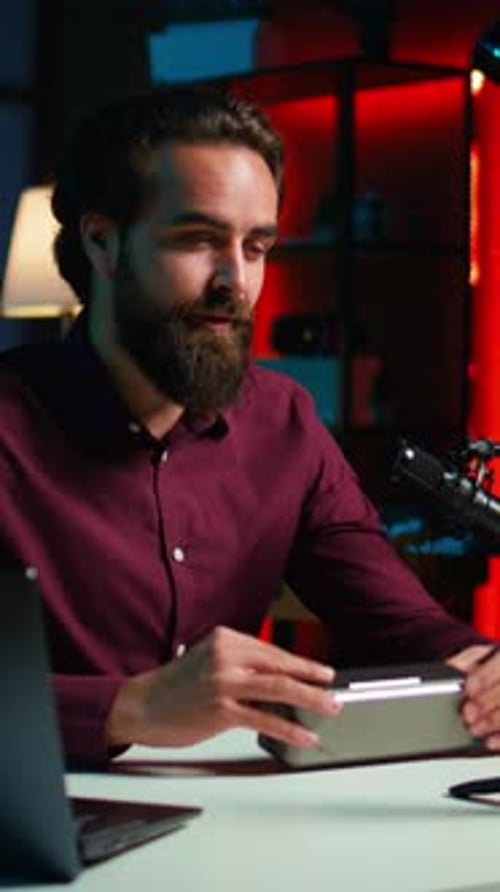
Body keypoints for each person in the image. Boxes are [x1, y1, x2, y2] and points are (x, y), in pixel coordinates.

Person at [0, 85, 498, 765]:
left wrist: (483, 669)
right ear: (102, 242)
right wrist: (129, 707)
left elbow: (396, 620)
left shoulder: (284, 420)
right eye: (198, 240)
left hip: (225, 812)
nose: (235, 282)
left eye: (256, 246)